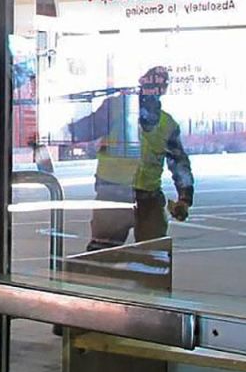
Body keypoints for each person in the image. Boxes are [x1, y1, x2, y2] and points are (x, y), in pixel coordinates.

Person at [66, 66, 195, 251]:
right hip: (114, 193)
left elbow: (179, 163)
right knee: (103, 254)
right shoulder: (117, 107)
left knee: (153, 256)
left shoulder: (166, 123)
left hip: (146, 196)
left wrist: (184, 198)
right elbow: (86, 129)